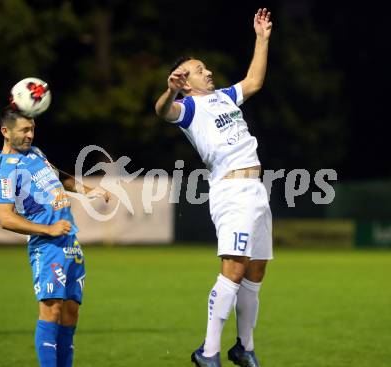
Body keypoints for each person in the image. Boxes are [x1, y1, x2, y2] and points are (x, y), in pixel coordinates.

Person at [155, 8, 273, 367]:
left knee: (256, 270)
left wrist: (262, 39)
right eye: (199, 69)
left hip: (256, 189)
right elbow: (162, 112)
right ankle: (207, 352)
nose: (208, 71)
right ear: (185, 82)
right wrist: (169, 92)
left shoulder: (223, 96)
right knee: (234, 269)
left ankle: (244, 347)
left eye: (205, 67)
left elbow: (253, 82)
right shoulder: (188, 107)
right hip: (231, 192)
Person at [0, 106, 109, 367]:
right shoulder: (3, 169)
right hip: (47, 245)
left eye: (32, 128)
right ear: (5, 132)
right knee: (51, 308)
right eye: (24, 130)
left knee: (71, 312)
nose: (30, 134)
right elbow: (5, 218)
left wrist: (89, 190)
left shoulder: (35, 153)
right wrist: (48, 230)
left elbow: (60, 177)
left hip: (70, 241)